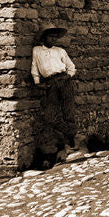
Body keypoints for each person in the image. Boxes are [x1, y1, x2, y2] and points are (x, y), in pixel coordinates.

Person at [31, 25, 78, 156]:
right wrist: (37, 82)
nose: (53, 40)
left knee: (68, 111)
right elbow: (35, 66)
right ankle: (68, 133)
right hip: (50, 82)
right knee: (51, 116)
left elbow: (71, 67)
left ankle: (70, 140)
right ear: (44, 37)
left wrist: (68, 77)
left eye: (55, 37)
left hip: (64, 80)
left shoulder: (60, 51)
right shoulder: (37, 50)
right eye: (51, 37)